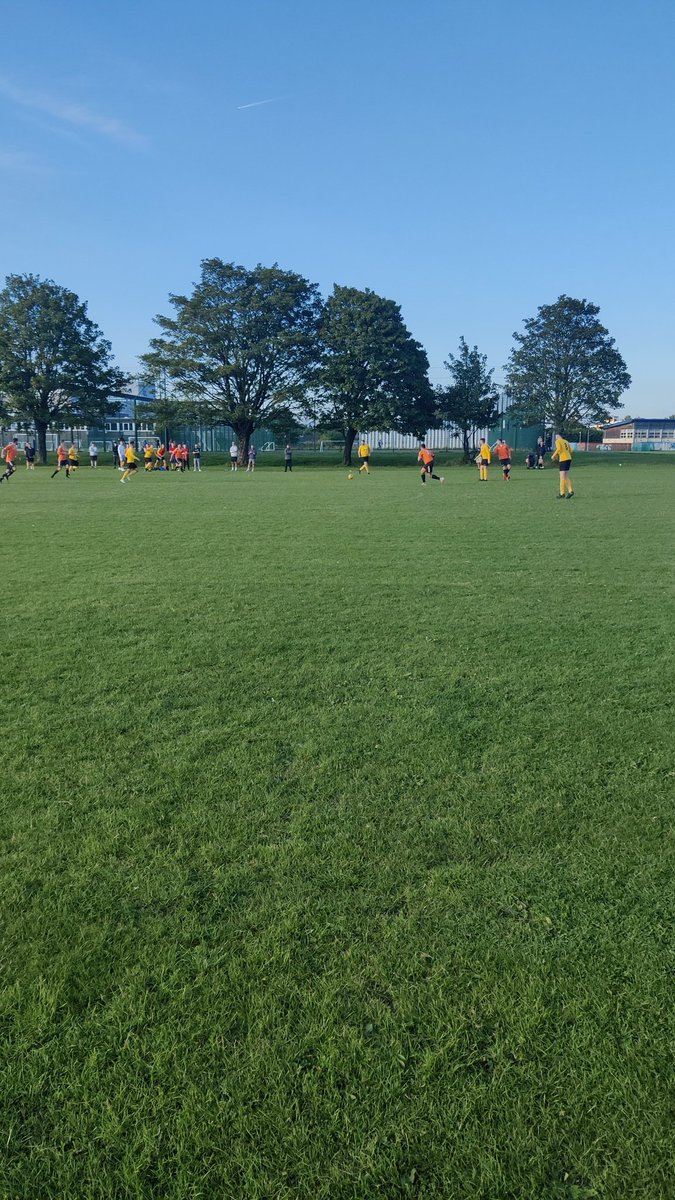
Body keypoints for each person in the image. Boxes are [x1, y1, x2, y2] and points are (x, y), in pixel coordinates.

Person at [551, 430, 574, 499]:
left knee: (562, 477)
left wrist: (553, 456)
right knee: (566, 476)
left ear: (558, 435)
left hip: (563, 459)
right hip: (568, 459)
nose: (555, 437)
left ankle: (562, 493)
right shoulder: (566, 441)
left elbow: (558, 449)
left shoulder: (558, 441)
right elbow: (571, 451)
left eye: (556, 435)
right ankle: (570, 491)